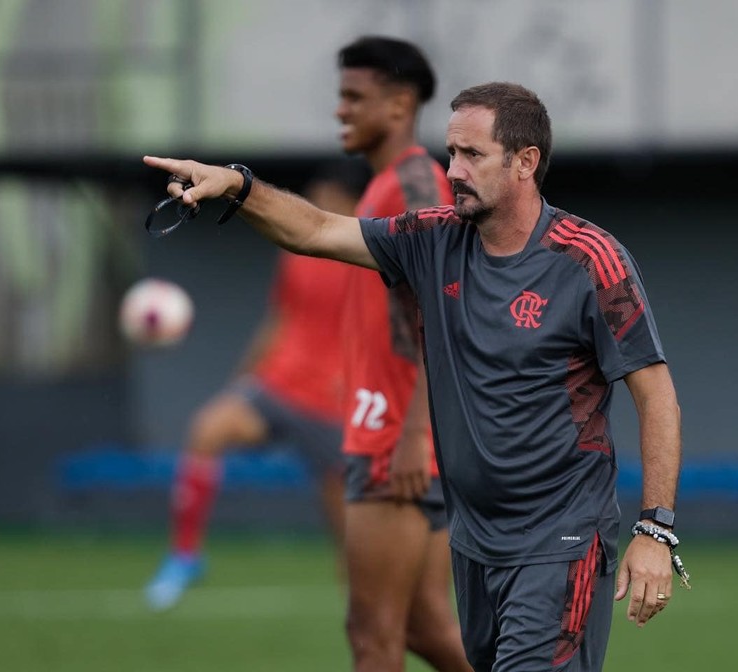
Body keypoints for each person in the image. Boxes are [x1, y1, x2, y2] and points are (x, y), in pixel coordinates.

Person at [143, 80, 684, 671]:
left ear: (525, 162)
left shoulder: (589, 260)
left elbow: (656, 396)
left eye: (472, 155)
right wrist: (238, 187)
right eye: (451, 152)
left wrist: (655, 530)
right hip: (474, 543)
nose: (452, 170)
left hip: (562, 542)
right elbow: (318, 230)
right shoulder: (434, 239)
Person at [144, 158, 371, 611]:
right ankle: (185, 555)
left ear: (355, 203)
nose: (320, 204)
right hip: (278, 384)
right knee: (208, 429)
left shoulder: (367, 253)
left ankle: (360, 600)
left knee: (349, 537)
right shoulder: (299, 252)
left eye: (330, 197)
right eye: (317, 195)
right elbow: (279, 320)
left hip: (331, 402)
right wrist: (244, 378)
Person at [330, 36, 471, 672]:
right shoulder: (388, 183)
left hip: (396, 436)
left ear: (399, 105)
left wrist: (416, 428)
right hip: (396, 429)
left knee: (372, 635)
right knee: (423, 627)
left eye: (354, 97)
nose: (341, 110)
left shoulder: (415, 180)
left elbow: (447, 299)